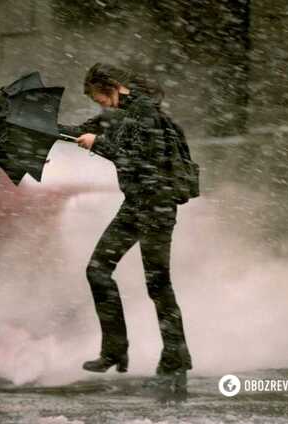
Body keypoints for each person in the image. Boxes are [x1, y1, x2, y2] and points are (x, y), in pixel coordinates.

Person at [60, 63, 199, 400]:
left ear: (110, 87)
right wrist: (39, 126)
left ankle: (175, 365)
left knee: (157, 284)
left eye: (99, 97)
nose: (100, 105)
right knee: (98, 270)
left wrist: (97, 144)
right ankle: (115, 350)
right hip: (137, 204)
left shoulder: (144, 113)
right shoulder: (119, 113)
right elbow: (81, 129)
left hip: (156, 206)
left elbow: (140, 160)